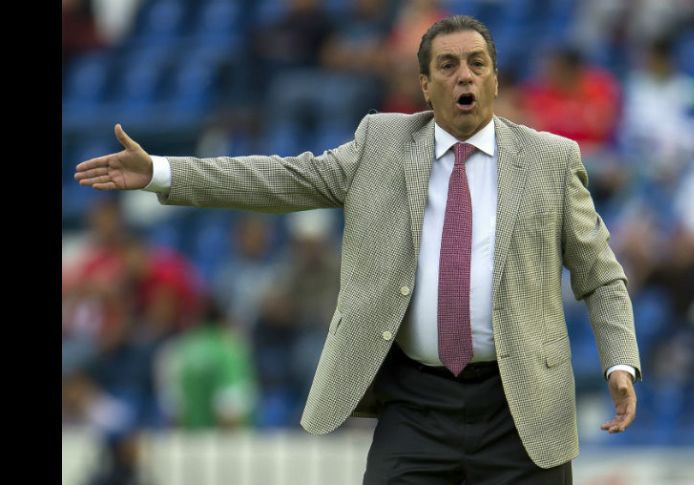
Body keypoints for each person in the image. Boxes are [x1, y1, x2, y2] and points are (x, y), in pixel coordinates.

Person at [75, 15, 641, 485]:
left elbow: (600, 275)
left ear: (494, 80)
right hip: (416, 405)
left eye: (477, 63)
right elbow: (281, 178)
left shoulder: (550, 161)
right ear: (425, 86)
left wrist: (619, 361)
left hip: (520, 408)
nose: (464, 75)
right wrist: (162, 172)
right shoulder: (381, 144)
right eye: (447, 65)